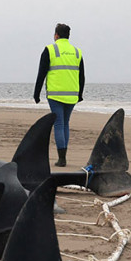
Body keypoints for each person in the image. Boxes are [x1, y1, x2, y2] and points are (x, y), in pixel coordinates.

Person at [33, 23, 85, 167]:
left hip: (55, 94)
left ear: (56, 35)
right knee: (65, 124)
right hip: (72, 94)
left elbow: (41, 73)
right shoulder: (77, 52)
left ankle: (62, 159)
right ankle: (63, 156)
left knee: (59, 124)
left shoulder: (50, 50)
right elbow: (82, 76)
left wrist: (36, 93)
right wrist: (80, 94)